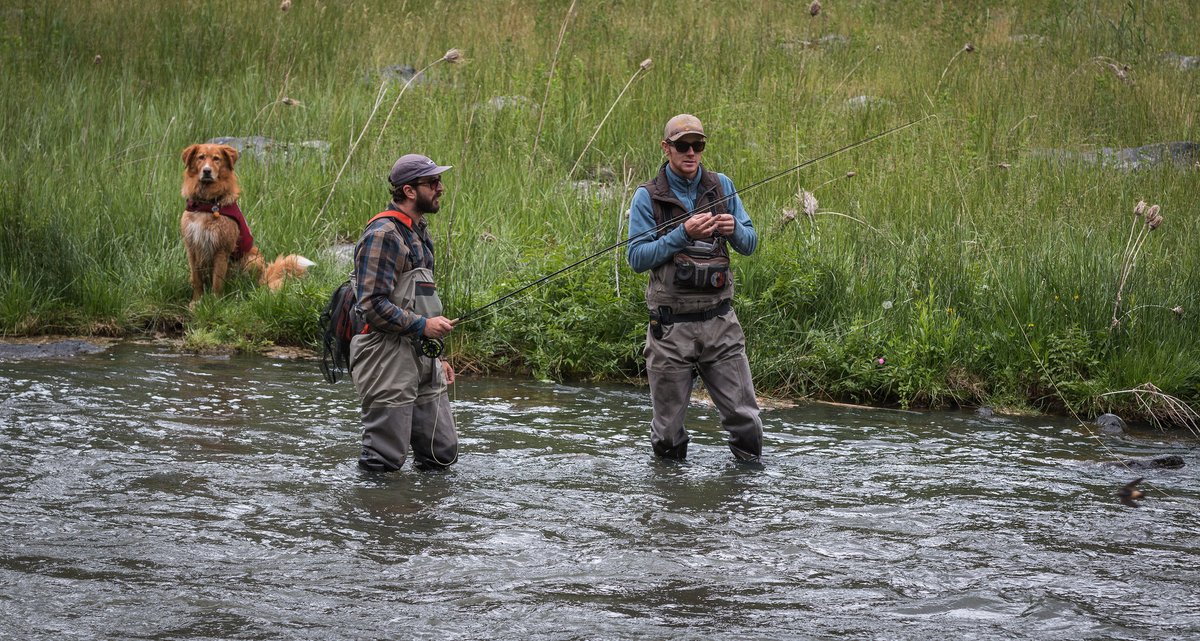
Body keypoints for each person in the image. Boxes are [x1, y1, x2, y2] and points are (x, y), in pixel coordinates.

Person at [625, 114, 764, 463]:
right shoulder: (647, 197)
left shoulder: (722, 186)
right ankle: (671, 504)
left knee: (747, 423)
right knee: (668, 434)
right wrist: (683, 234)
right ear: (666, 148)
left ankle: (744, 504)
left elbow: (750, 244)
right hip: (670, 329)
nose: (691, 153)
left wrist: (734, 230)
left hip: (721, 325)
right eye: (683, 145)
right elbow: (638, 257)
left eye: (697, 145)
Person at [350, 153, 458, 471]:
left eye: (439, 181)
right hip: (384, 354)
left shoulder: (419, 233)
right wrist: (422, 326)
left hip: (421, 352)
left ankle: (427, 517)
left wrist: (438, 356)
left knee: (441, 453)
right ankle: (377, 515)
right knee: (384, 459)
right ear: (409, 191)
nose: (440, 188)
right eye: (433, 182)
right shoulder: (384, 236)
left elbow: (423, 301)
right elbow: (371, 305)